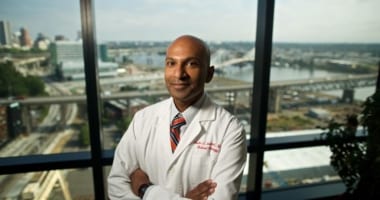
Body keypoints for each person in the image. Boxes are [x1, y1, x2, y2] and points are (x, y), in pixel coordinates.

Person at [108, 35, 247, 200]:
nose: (179, 74)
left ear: (209, 74)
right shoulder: (143, 119)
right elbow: (116, 186)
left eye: (191, 64)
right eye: (171, 63)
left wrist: (145, 190)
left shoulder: (230, 131)